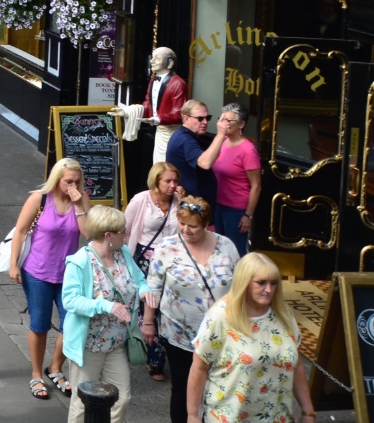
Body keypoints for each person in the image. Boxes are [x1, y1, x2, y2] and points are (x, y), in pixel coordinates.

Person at [144, 196, 238, 423]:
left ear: (206, 224)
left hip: (222, 334)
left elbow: (240, 285)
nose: (186, 230)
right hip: (180, 333)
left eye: (192, 226)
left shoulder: (226, 245)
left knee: (218, 385)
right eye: (182, 223)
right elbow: (153, 287)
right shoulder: (167, 248)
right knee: (183, 387)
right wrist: (148, 322)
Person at [188, 252, 313, 423]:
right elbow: (199, 367)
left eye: (274, 283)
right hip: (229, 418)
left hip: (278, 418)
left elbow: (296, 365)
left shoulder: (283, 314)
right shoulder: (221, 316)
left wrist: (308, 412)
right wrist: (193, 415)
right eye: (261, 283)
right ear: (244, 282)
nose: (268, 289)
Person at [9, 157, 90, 401]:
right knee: (40, 324)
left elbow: (88, 234)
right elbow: (20, 230)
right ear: (57, 179)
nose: (73, 185)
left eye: (77, 181)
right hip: (38, 271)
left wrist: (80, 206)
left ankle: (55, 367)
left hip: (69, 274)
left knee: (72, 325)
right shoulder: (40, 198)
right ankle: (36, 373)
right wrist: (13, 264)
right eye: (68, 181)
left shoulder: (82, 200)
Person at [61, 206, 151, 423]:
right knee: (82, 403)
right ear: (108, 235)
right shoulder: (80, 261)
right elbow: (70, 300)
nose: (127, 235)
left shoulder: (124, 254)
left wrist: (145, 290)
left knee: (122, 399)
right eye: (123, 231)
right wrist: (105, 305)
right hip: (89, 345)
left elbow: (139, 280)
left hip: (116, 344)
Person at [123, 161, 182, 380]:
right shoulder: (141, 200)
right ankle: (152, 358)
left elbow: (189, 226)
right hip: (145, 261)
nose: (172, 185)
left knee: (166, 308)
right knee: (147, 307)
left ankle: (159, 355)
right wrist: (124, 259)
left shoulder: (180, 202)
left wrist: (185, 202)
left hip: (172, 262)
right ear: (156, 181)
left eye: (175, 181)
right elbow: (125, 229)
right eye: (168, 181)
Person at [197, 103, 261, 258]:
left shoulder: (248, 150)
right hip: (217, 205)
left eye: (229, 121)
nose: (223, 124)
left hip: (236, 210)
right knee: (218, 251)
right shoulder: (223, 141)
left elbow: (256, 186)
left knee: (235, 253)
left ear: (241, 124)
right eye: (222, 119)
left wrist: (248, 215)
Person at [167, 100, 217, 205]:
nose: (205, 122)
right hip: (192, 207)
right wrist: (221, 135)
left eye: (207, 118)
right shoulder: (186, 140)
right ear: (186, 118)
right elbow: (205, 163)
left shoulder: (182, 135)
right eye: (200, 118)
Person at [144, 47, 188, 165]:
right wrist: (130, 111)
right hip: (159, 131)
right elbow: (148, 103)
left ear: (169, 63)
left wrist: (158, 119)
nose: (152, 61)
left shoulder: (178, 83)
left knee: (169, 165)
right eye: (152, 57)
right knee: (158, 164)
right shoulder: (153, 80)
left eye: (157, 58)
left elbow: (179, 113)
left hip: (171, 132)